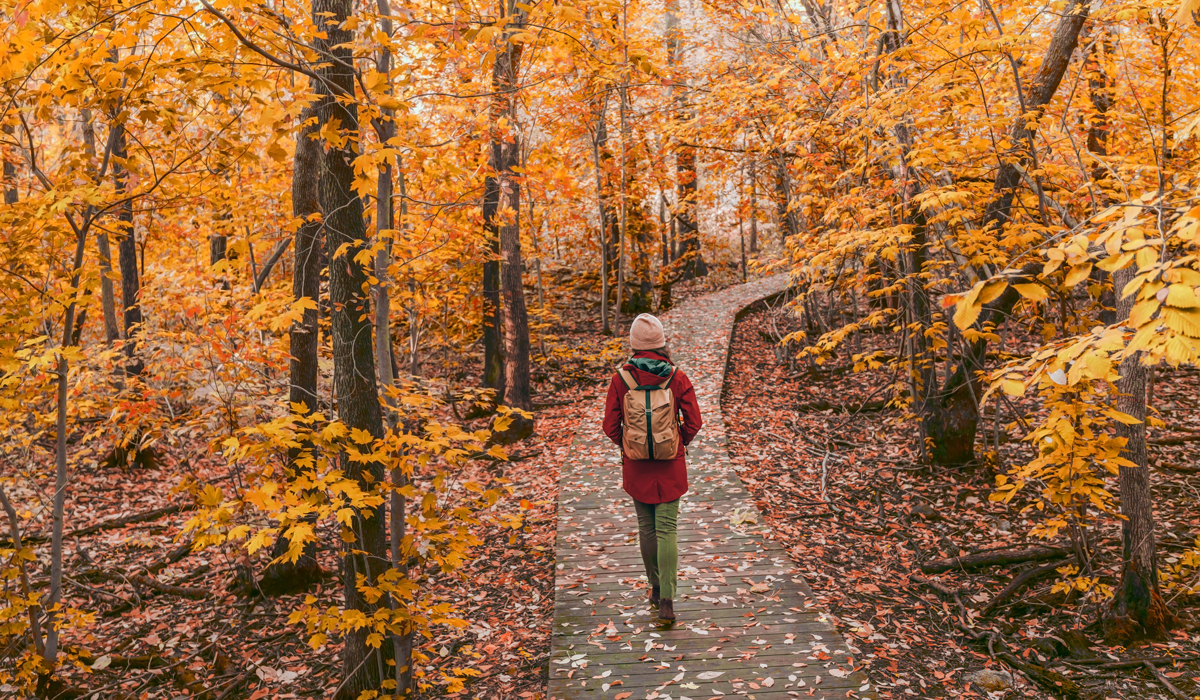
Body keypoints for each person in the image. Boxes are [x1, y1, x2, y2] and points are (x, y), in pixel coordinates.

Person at [602, 313, 703, 622]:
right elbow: (695, 421)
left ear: (633, 344)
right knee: (667, 528)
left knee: (647, 528)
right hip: (671, 465)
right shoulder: (677, 377)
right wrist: (676, 442)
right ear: (661, 342)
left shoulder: (621, 378)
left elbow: (609, 426)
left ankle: (655, 588)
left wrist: (629, 446)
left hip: (636, 467)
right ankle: (668, 601)